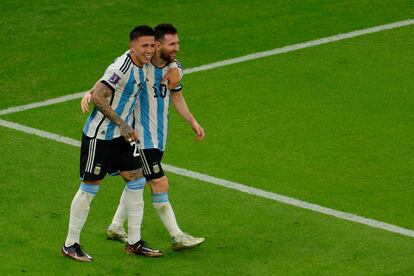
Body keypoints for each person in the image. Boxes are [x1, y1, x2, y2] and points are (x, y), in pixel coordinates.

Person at [81, 24, 205, 251]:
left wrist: (192, 121)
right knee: (159, 182)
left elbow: (176, 96)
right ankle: (177, 236)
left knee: (135, 182)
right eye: (172, 44)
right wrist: (91, 92)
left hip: (159, 137)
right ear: (158, 45)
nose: (177, 48)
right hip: (140, 138)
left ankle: (116, 226)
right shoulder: (142, 66)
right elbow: (112, 76)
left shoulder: (173, 68)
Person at [62, 25, 162, 262]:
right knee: (90, 187)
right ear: (132, 46)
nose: (149, 50)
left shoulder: (146, 63)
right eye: (144, 46)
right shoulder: (122, 68)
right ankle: (70, 244)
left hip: (123, 137)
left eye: (152, 45)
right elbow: (98, 95)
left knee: (136, 180)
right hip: (101, 135)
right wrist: (122, 123)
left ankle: (134, 242)